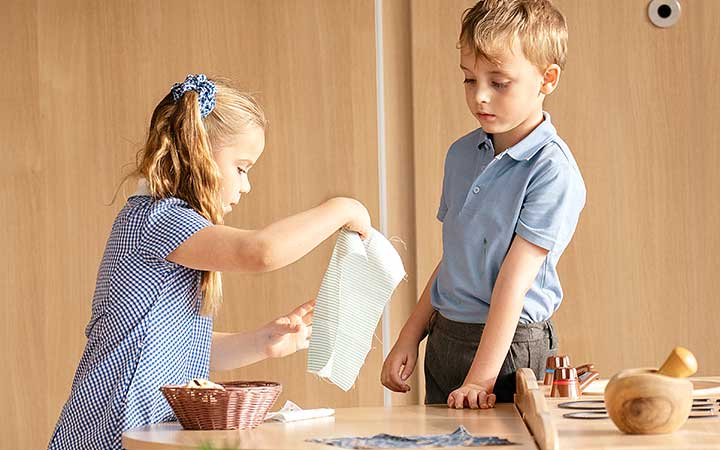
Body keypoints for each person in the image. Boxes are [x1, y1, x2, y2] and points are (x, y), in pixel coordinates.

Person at [48, 74, 371, 449]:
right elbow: (260, 251)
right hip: (116, 422)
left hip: (143, 424)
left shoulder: (172, 228)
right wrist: (341, 208)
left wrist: (265, 341)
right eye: (242, 168)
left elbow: (186, 348)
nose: (246, 186)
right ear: (199, 153)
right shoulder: (158, 218)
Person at [381, 0, 585, 409]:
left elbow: (514, 281)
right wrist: (410, 335)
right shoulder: (460, 155)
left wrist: (481, 378)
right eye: (469, 80)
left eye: (499, 82)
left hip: (508, 349)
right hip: (446, 337)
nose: (480, 97)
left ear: (547, 79)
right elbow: (454, 257)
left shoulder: (551, 170)